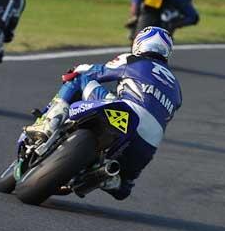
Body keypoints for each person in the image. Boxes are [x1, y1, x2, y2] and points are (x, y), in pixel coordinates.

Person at [24, 27, 182, 200]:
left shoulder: (132, 60)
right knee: (123, 187)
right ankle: (105, 178)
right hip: (149, 141)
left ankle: (49, 123)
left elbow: (95, 71)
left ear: (139, 44)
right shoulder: (177, 89)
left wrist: (76, 69)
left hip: (125, 111)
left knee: (80, 79)